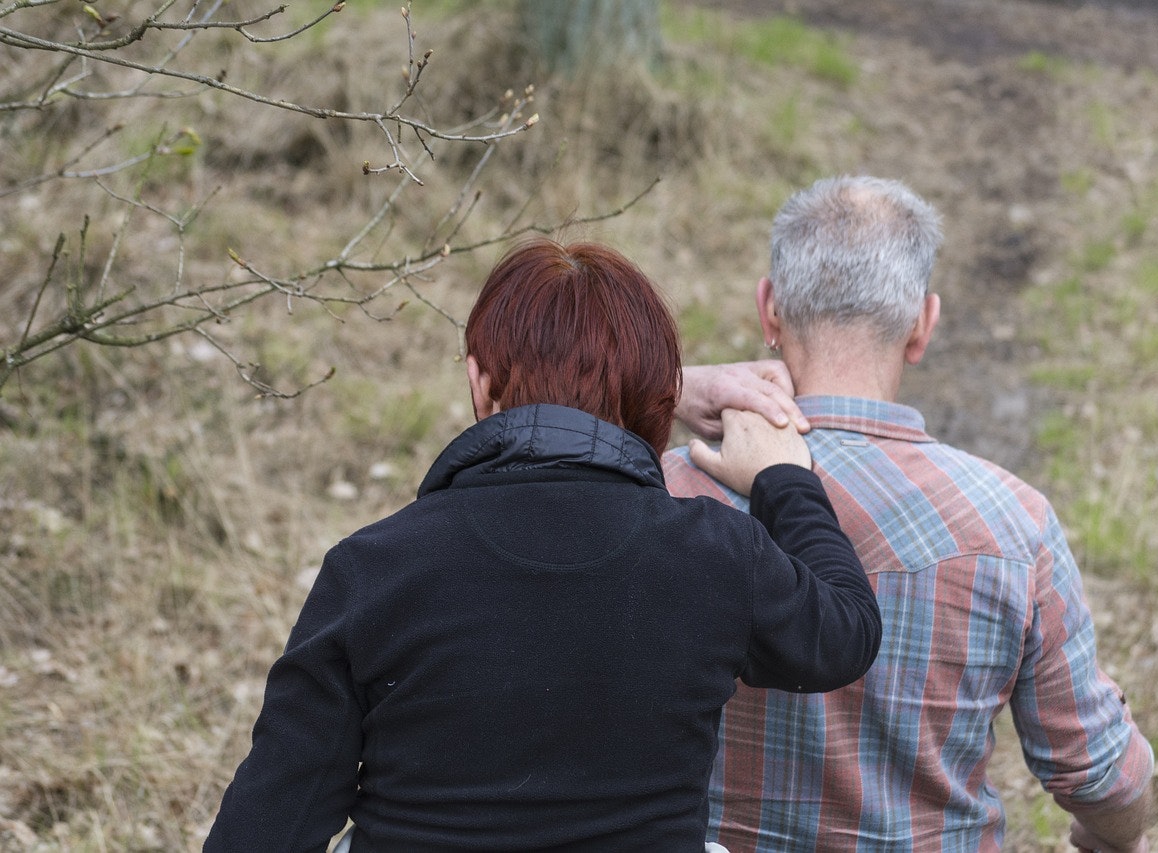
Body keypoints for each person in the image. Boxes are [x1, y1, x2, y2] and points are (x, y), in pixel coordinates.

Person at [203, 238, 882, 852]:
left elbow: (266, 828)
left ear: (477, 381)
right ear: (660, 401)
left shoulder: (375, 568)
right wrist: (784, 480)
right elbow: (846, 632)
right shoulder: (713, 554)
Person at [664, 175, 1154, 852]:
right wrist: (1111, 838)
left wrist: (670, 387)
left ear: (768, 309)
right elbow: (1103, 777)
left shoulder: (665, 493)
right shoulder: (1014, 523)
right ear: (923, 325)